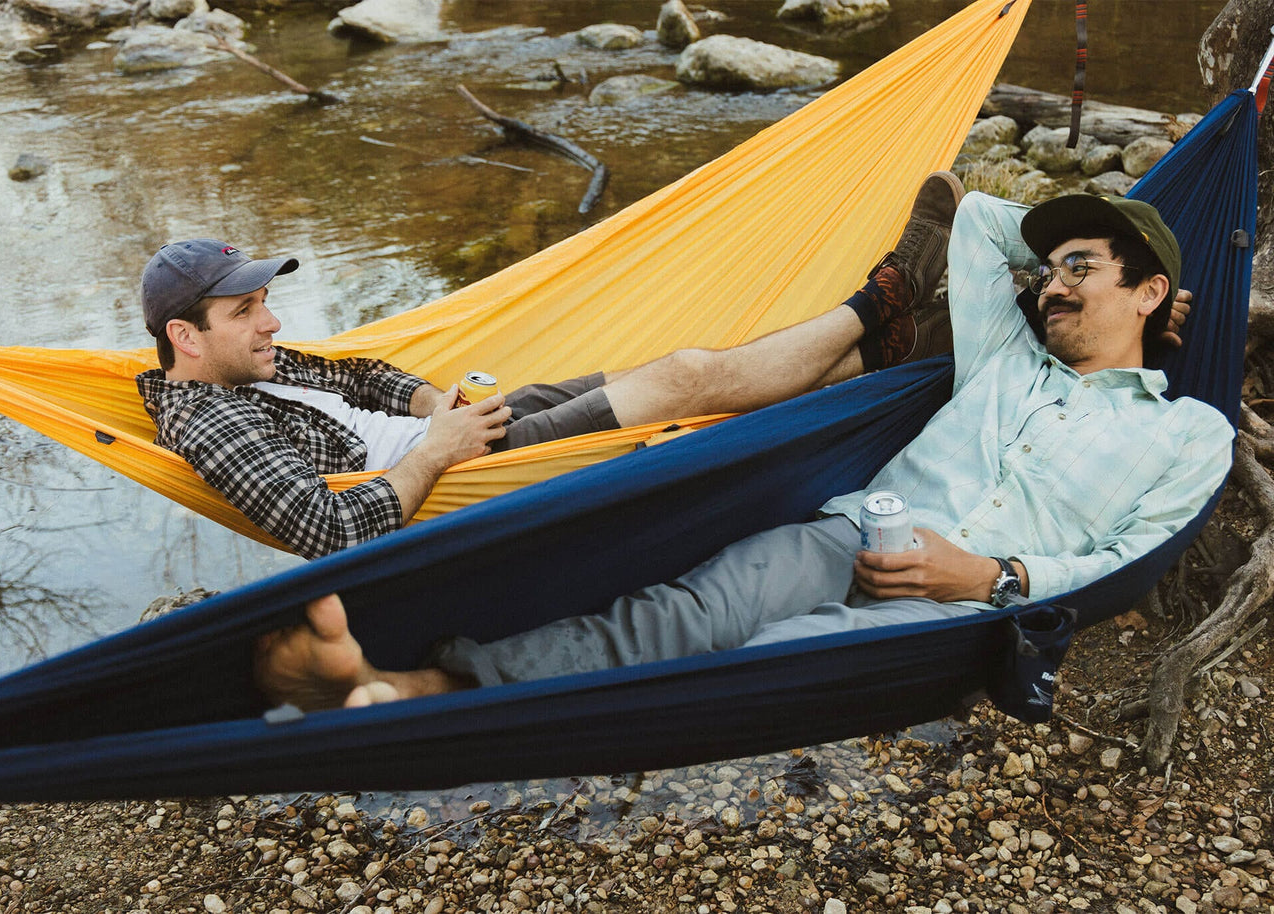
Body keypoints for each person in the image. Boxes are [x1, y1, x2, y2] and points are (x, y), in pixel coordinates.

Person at [254, 186, 1230, 711]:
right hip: (845, 534)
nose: (1053, 287)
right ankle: (407, 686)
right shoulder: (1008, 354)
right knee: (669, 617)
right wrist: (1058, 263)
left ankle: (432, 714)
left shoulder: (1185, 431)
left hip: (962, 600)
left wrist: (989, 572)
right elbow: (974, 221)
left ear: (1148, 294)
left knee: (761, 663)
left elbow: (1122, 557)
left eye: (1082, 272)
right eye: (1049, 270)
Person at [138, 174, 964, 559]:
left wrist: (430, 403)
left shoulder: (248, 365)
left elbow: (357, 377)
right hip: (466, 474)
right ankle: (884, 296)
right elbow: (326, 531)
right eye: (245, 310)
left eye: (263, 302)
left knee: (712, 367)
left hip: (457, 430)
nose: (270, 320)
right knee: (685, 375)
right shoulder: (210, 418)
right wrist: (438, 451)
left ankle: (912, 346)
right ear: (185, 335)